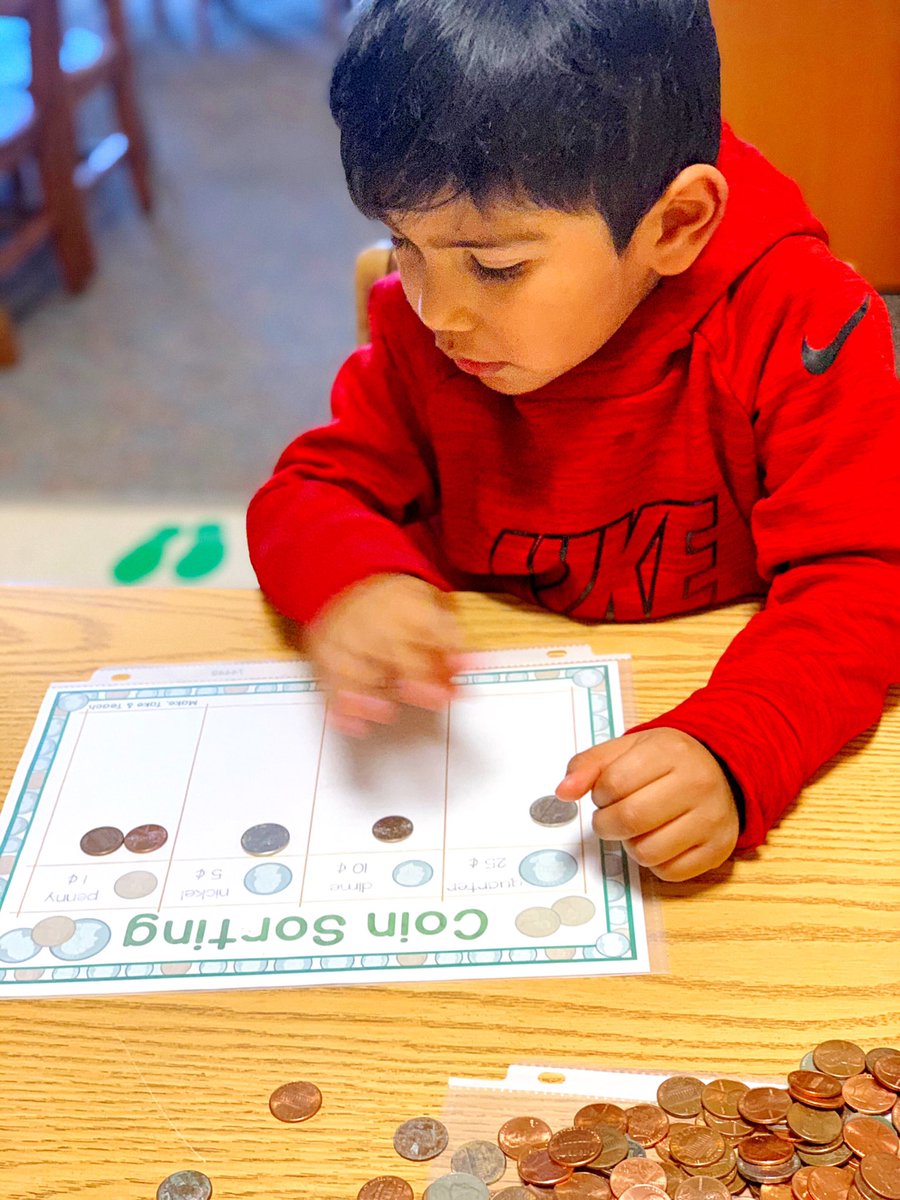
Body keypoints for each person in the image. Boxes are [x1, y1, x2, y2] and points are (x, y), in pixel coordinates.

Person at [247, 0, 900, 882]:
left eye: (497, 266)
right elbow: (309, 490)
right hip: (479, 735)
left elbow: (864, 576)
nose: (438, 311)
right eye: (404, 243)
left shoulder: (799, 320)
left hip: (704, 685)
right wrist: (356, 580)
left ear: (675, 225)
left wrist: (736, 744)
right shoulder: (421, 326)